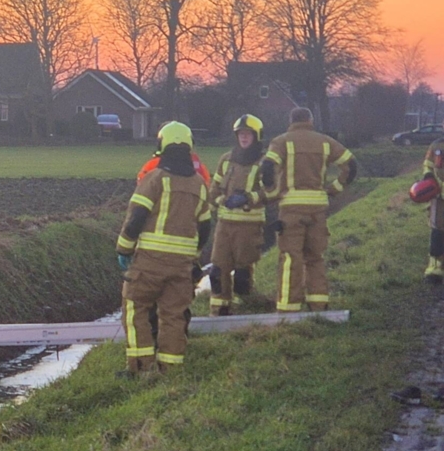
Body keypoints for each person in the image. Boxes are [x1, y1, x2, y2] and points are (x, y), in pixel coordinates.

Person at [116, 121, 212, 375]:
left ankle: (140, 367)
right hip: (182, 266)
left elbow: (135, 218)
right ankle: (170, 368)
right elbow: (205, 228)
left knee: (134, 307)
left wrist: (124, 251)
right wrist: (193, 256)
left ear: (162, 145)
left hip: (150, 262)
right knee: (173, 314)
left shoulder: (154, 178)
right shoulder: (199, 185)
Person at [260, 107, 357, 312]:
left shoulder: (281, 141)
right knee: (315, 257)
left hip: (291, 211)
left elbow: (268, 168)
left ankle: (288, 307)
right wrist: (334, 189)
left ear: (291, 120)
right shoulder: (325, 141)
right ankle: (319, 305)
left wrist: (271, 192)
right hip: (318, 210)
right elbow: (351, 165)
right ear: (310, 120)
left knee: (290, 258)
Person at [207, 114, 268, 316]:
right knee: (217, 272)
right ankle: (219, 312)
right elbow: (213, 190)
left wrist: (248, 198)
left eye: (248, 134)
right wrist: (221, 202)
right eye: (241, 134)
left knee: (242, 275)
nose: (243, 138)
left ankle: (247, 310)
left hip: (249, 227)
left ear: (256, 136)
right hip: (224, 226)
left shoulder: (265, 162)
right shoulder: (226, 160)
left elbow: (273, 191)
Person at [420, 138, 444, 282]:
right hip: (439, 197)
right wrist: (428, 175)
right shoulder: (436, 145)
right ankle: (435, 267)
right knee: (437, 230)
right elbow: (428, 164)